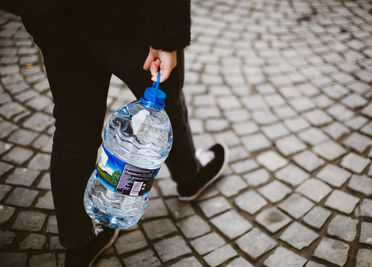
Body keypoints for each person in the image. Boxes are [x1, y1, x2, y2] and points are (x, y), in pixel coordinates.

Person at [2, 1, 228, 266]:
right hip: (130, 17)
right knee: (163, 104)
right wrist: (167, 38)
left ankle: (80, 240)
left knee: (73, 128)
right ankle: (190, 176)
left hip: (57, 16)